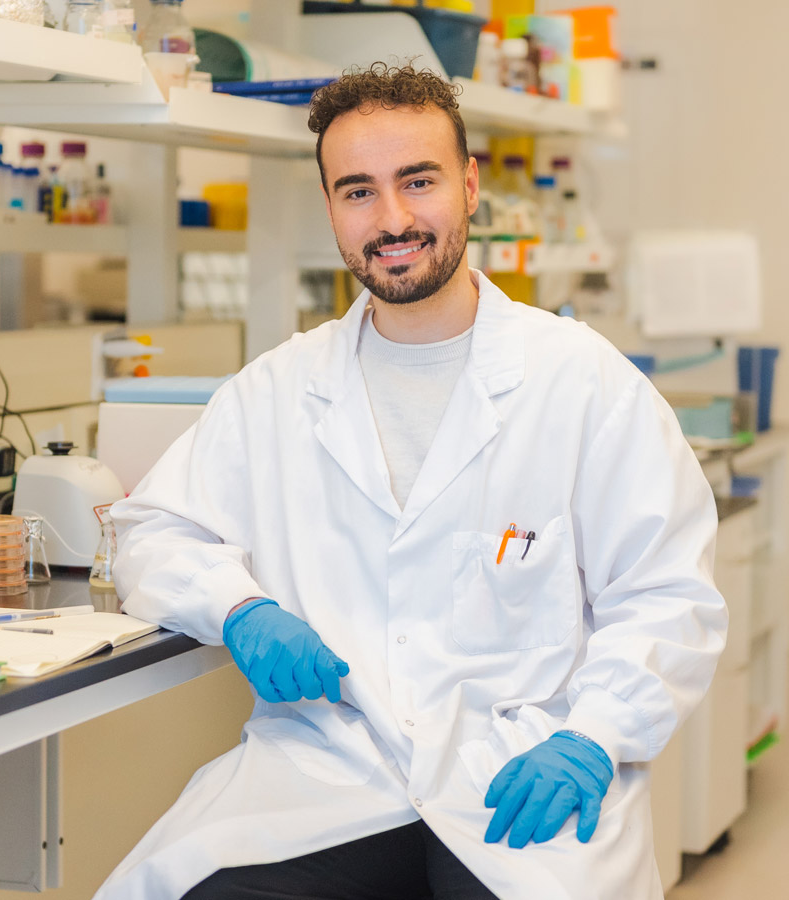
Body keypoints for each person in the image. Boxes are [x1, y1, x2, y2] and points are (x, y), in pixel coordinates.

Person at [94, 63, 727, 900]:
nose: (391, 219)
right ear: (331, 209)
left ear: (469, 187)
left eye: (417, 182)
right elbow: (150, 529)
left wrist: (593, 737)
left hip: (519, 774)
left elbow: (668, 592)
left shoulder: (583, 384)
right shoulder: (278, 389)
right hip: (333, 772)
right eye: (358, 191)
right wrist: (238, 610)